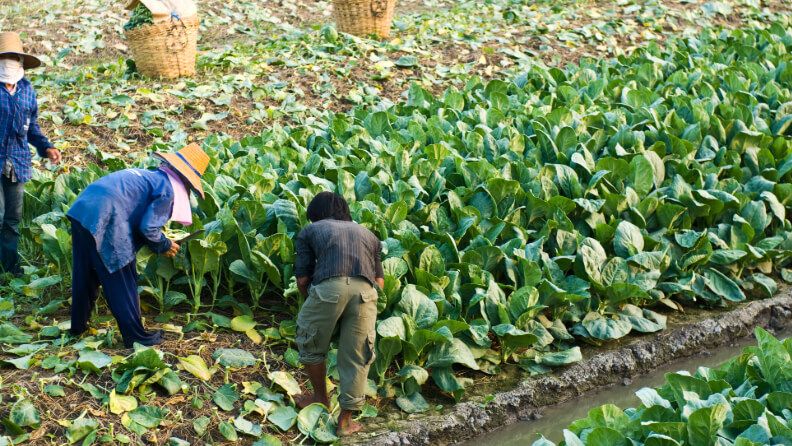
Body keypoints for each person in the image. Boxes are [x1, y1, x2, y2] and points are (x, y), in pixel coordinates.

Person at [67, 143, 209, 348]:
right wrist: (164, 244)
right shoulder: (169, 190)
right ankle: (136, 337)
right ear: (187, 182)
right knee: (122, 276)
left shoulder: (152, 177)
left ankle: (77, 327)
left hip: (83, 210)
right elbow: (148, 228)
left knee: (85, 272)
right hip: (107, 216)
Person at [293, 191, 384, 436]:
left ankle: (321, 398)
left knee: (310, 342)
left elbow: (302, 278)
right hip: (366, 291)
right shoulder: (368, 234)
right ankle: (345, 421)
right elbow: (379, 281)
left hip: (328, 289)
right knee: (358, 354)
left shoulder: (311, 230)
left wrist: (312, 303)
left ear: (316, 215)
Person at [0, 32, 61, 276]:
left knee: (13, 220)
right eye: (5, 57)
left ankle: (9, 267)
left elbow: (32, 126)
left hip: (18, 161)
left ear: (21, 62)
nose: (10, 62)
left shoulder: (26, 89)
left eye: (14, 58)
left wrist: (47, 147)